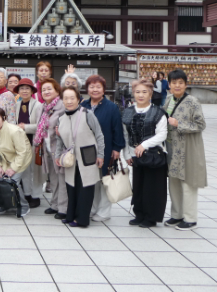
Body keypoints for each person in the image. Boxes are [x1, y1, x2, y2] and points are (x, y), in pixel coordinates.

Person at [55, 87, 105, 228]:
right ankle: (71, 215)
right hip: (70, 158)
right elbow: (59, 139)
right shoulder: (61, 118)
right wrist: (57, 155)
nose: (69, 101)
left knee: (85, 189)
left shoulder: (87, 114)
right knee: (71, 187)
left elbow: (99, 135)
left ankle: (82, 219)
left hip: (87, 156)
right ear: (62, 100)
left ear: (78, 99)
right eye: (66, 98)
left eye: (72, 98)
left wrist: (100, 155)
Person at [163, 69, 207, 231]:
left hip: (188, 148)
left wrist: (178, 124)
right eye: (174, 82)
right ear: (169, 85)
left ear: (186, 85)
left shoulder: (193, 102)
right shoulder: (169, 99)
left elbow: (201, 125)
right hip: (172, 148)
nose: (177, 85)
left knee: (188, 183)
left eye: (180, 83)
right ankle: (177, 215)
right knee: (174, 181)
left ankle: (190, 218)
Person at [122, 79, 168, 228]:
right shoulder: (127, 112)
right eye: (137, 92)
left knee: (153, 188)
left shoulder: (158, 112)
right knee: (139, 186)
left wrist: (144, 145)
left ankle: (151, 217)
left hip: (154, 156)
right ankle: (139, 214)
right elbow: (125, 135)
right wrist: (127, 154)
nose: (140, 95)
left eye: (144, 92)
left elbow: (162, 134)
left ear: (150, 94)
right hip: (136, 156)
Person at [81, 74, 125, 222]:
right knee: (92, 180)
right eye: (91, 87)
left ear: (104, 89)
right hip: (87, 149)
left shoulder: (111, 107)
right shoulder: (83, 106)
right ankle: (92, 208)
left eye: (98, 87)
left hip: (106, 148)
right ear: (87, 89)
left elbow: (117, 129)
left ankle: (104, 211)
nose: (95, 90)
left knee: (105, 179)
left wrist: (117, 148)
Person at [0, 107, 32, 215]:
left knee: (13, 181)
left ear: (4, 118)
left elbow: (22, 152)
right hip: (6, 159)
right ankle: (5, 205)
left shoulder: (14, 131)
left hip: (22, 158)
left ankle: (24, 206)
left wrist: (13, 169)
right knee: (0, 179)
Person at [34, 78, 67, 219]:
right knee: (53, 178)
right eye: (43, 90)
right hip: (47, 147)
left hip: (59, 148)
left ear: (57, 91)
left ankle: (63, 208)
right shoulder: (43, 107)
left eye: (49, 89)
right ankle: (54, 204)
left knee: (62, 178)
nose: (46, 92)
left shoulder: (62, 106)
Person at [16, 78, 43, 208]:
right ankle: (27, 194)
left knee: (35, 171)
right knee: (25, 169)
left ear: (32, 91)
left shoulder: (38, 105)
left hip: (34, 142)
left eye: (27, 88)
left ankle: (36, 196)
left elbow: (41, 125)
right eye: (22, 88)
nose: (24, 91)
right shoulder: (16, 105)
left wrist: (25, 127)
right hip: (21, 143)